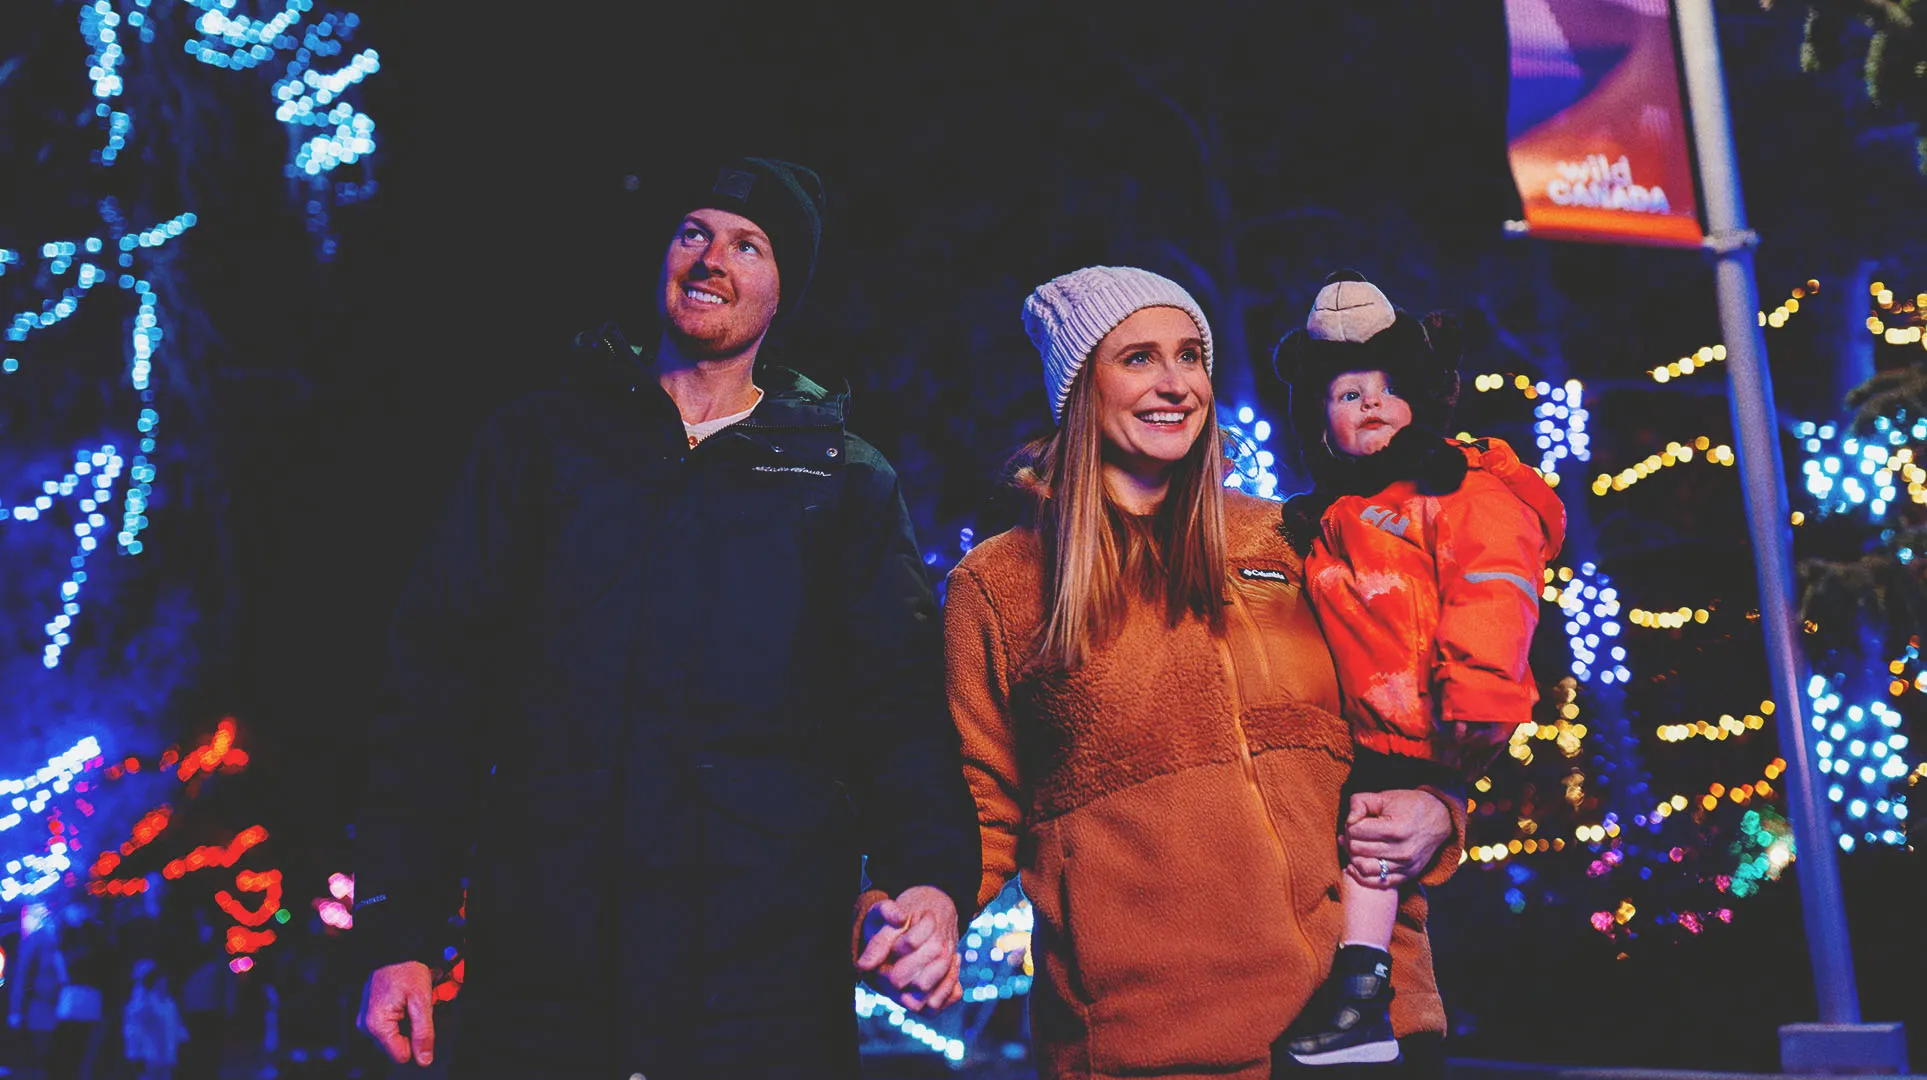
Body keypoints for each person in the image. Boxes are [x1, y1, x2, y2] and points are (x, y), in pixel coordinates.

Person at [351, 155, 981, 1079]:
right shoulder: (539, 446)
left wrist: (928, 879)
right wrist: (397, 929)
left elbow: (898, 714)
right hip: (543, 976)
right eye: (694, 232)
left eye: (748, 243)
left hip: (763, 990)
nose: (712, 257)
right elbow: (434, 692)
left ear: (781, 290)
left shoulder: (841, 480)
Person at [945, 265, 1468, 1079]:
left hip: (1369, 1023)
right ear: (1080, 387)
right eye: (1139, 358)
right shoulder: (1000, 583)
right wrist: (916, 909)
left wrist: (1442, 805)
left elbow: (1412, 704)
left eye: (1191, 356)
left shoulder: (1296, 537)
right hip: (1150, 1042)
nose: (1175, 383)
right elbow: (977, 803)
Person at [1269, 270, 1566, 1066]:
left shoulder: (1459, 491)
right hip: (1371, 726)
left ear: (1420, 400)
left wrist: (1475, 693)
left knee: (1373, 839)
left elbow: (1495, 587)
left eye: (1383, 389)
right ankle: (1362, 997)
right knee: (1368, 841)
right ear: (1318, 424)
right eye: (1343, 394)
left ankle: (1364, 998)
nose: (1366, 403)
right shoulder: (1331, 517)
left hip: (1430, 713)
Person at [8, 901, 65, 1075]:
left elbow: (23, 975)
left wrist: (16, 1010)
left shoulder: (38, 939)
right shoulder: (51, 939)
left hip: (45, 1006)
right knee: (49, 1054)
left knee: (43, 1054)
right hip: (52, 1005)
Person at [122, 959, 189, 1080]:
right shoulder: (140, 1005)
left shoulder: (169, 1003)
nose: (164, 982)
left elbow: (176, 1025)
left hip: (167, 1058)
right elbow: (133, 1031)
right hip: (148, 1058)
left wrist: (181, 1043)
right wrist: (135, 1054)